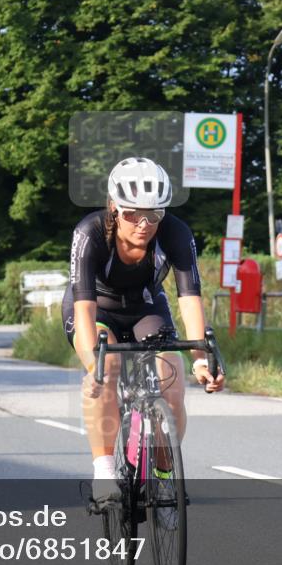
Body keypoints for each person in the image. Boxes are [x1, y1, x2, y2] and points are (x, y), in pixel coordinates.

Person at [63, 157, 225, 503]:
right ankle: (104, 472)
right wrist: (94, 367)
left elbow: (190, 299)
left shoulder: (176, 233)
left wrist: (200, 360)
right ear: (113, 207)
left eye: (154, 215)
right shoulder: (89, 232)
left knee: (173, 383)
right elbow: (84, 308)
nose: (143, 224)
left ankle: (163, 475)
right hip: (97, 307)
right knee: (106, 368)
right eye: (132, 214)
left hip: (146, 306)